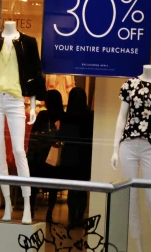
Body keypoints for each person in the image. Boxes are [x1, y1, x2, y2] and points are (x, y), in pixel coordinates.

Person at [59, 87, 94, 226]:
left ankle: (72, 217)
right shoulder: (90, 116)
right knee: (82, 189)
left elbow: (62, 136)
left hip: (70, 157)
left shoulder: (66, 116)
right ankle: (79, 217)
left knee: (72, 190)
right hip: (85, 157)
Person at [27, 89, 64, 221]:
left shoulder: (43, 115)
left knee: (34, 184)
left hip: (40, 155)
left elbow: (33, 133)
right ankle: (49, 212)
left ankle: (30, 210)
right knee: (53, 186)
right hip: (54, 156)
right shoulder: (63, 116)